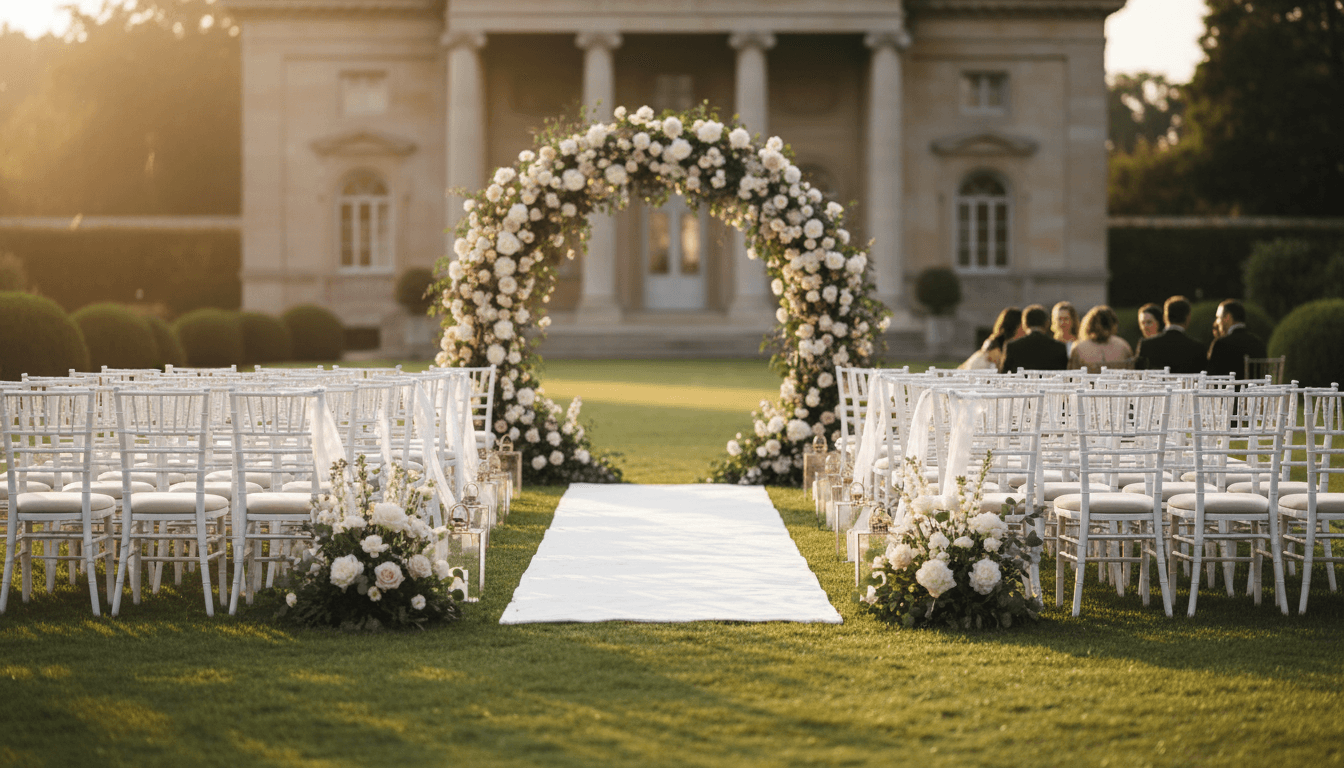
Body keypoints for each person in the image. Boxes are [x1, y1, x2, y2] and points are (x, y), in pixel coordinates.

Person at [1134, 295, 1207, 374]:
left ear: (1165, 317)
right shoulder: (1198, 348)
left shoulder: (1146, 345)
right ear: (1188, 317)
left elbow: (1138, 376)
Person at [1207, 299, 1268, 378]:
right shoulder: (1258, 343)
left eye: (1218, 317)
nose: (1216, 322)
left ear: (1227, 317)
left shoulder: (1221, 344)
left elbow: (1210, 377)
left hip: (1230, 389)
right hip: (1256, 390)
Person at [1000, 304, 1069, 373]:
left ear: (1025, 324)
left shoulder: (1012, 347)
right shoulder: (1060, 347)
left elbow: (1004, 375)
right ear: (1047, 323)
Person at [1068, 305, 1134, 373]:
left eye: (1107, 324)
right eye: (1103, 323)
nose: (1104, 329)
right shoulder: (1079, 349)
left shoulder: (1123, 347)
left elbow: (1131, 373)